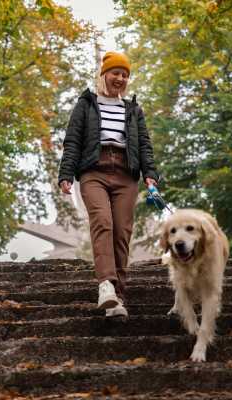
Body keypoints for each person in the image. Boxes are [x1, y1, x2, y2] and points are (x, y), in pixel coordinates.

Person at [58, 51, 159, 317]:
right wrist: (66, 173)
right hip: (94, 171)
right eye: (116, 73)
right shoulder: (86, 104)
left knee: (122, 231)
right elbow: (73, 140)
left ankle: (118, 297)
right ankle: (106, 285)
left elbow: (144, 145)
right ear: (105, 74)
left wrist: (151, 174)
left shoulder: (133, 109)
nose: (121, 78)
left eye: (125, 75)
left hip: (127, 174)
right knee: (102, 222)